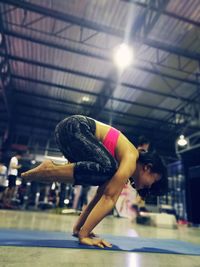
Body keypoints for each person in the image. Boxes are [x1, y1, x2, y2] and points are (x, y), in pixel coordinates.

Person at [21, 115, 167, 248]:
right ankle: (50, 170)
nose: (150, 186)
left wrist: (80, 229)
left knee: (102, 176)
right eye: (154, 181)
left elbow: (99, 197)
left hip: (67, 131)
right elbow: (109, 199)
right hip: (75, 127)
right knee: (108, 169)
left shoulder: (124, 162)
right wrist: (84, 236)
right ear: (148, 168)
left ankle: (52, 171)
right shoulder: (131, 158)